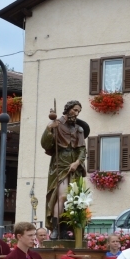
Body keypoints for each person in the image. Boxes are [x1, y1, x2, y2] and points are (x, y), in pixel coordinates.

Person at [40, 100, 88, 236]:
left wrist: (77, 163)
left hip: (74, 165)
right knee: (61, 196)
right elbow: (45, 144)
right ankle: (55, 228)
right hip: (59, 163)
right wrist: (49, 128)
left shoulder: (79, 129)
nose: (76, 113)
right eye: (75, 110)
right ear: (68, 109)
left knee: (74, 198)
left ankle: (70, 228)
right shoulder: (56, 124)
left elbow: (82, 151)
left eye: (78, 111)